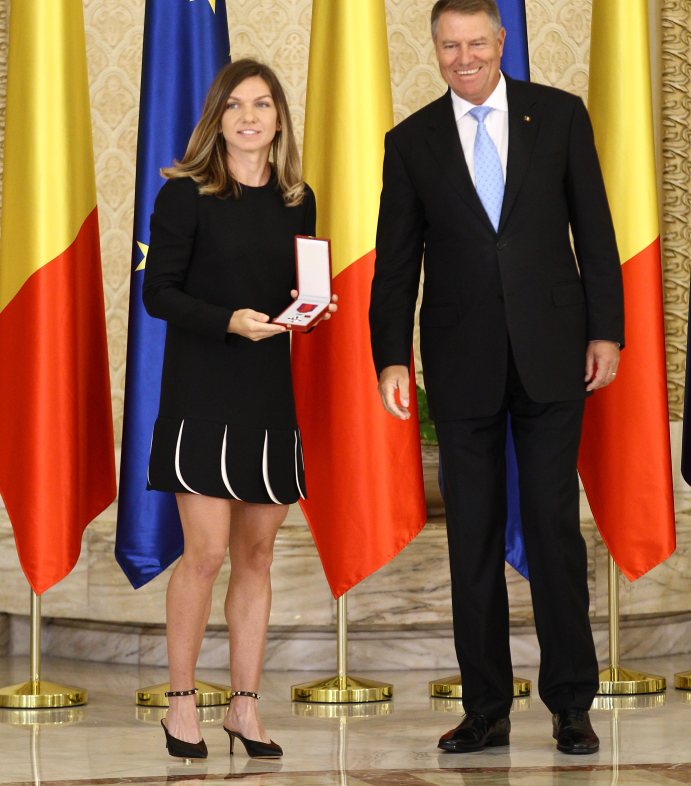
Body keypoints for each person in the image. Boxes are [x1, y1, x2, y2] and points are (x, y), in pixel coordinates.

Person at [370, 0, 624, 755]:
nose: (465, 58)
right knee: (471, 540)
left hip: (554, 353)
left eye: (476, 42)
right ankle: (485, 709)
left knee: (552, 530)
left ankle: (571, 703)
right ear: (436, 50)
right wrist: (391, 356)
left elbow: (596, 230)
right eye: (450, 46)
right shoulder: (410, 141)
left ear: (501, 40)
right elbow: (395, 262)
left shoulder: (561, 116)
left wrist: (606, 330)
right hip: (462, 363)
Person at [142, 58, 337, 761]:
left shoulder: (297, 199)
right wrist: (228, 320)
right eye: (235, 105)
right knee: (204, 554)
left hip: (266, 394)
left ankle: (245, 708)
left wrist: (312, 308)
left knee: (257, 554)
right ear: (216, 119)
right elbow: (158, 293)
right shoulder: (185, 194)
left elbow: (290, 291)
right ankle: (182, 703)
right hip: (201, 393)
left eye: (262, 104)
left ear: (280, 118)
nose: (249, 116)